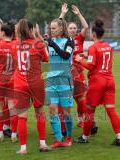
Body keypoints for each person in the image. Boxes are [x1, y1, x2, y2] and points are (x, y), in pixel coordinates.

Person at [74, 19, 120, 146]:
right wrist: (86, 57)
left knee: (89, 110)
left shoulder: (92, 47)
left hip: (97, 81)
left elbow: (91, 66)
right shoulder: (107, 46)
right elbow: (100, 61)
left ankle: (84, 137)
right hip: (110, 80)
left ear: (93, 34)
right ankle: (119, 137)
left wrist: (79, 60)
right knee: (111, 110)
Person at [13, 19, 51, 154]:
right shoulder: (38, 44)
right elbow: (46, 59)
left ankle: (23, 148)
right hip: (35, 82)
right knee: (39, 113)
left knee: (21, 116)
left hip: (19, 83)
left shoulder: (14, 45)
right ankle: (43, 143)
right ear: (31, 30)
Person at [45, 18, 75, 148]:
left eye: (54, 28)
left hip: (65, 80)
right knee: (52, 110)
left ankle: (68, 137)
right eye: (50, 28)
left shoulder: (69, 41)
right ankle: (58, 139)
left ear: (61, 29)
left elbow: (66, 56)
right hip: (51, 80)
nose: (51, 30)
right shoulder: (50, 42)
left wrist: (53, 45)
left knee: (66, 112)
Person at [59, 3, 89, 128]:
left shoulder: (79, 39)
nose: (72, 29)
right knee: (64, 100)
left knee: (81, 99)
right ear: (67, 30)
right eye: (70, 28)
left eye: (74, 28)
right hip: (66, 73)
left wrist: (79, 14)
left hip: (79, 73)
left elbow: (86, 27)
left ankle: (82, 120)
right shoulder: (63, 39)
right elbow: (57, 25)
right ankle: (62, 124)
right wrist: (63, 13)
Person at [0, 21, 18, 142]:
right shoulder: (17, 44)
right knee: (12, 107)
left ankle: (0, 134)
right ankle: (14, 134)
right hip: (12, 79)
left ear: (3, 32)